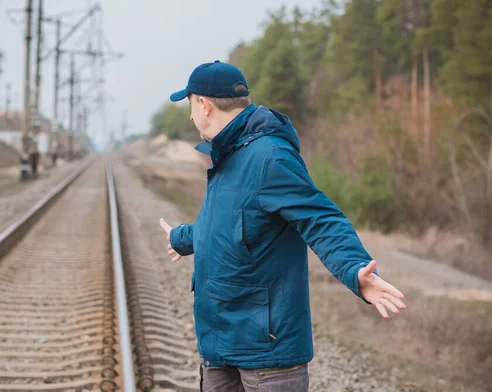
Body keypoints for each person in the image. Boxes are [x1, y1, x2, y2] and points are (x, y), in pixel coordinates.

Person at [159, 60, 406, 392]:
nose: (190, 117)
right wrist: (181, 238)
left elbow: (321, 219)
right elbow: (224, 226)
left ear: (203, 104)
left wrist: (355, 268)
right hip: (221, 347)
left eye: (190, 106)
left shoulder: (269, 156)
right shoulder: (229, 156)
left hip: (266, 356)